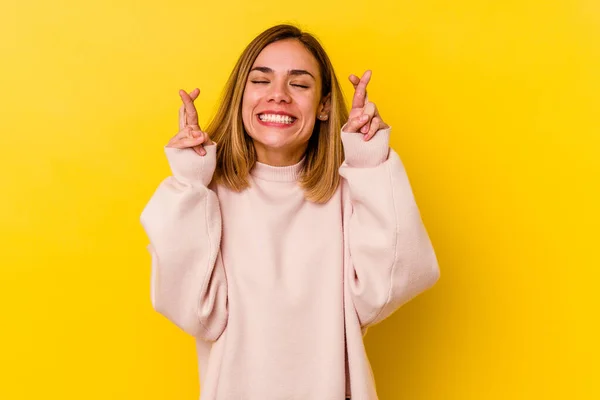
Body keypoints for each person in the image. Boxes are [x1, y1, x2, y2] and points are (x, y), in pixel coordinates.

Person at [140, 24, 440, 400]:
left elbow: (386, 289)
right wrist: (189, 185)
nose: (278, 95)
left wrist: (370, 164)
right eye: (261, 81)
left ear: (324, 105)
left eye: (299, 84)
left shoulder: (353, 191)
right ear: (240, 97)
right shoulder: (207, 198)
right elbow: (196, 313)